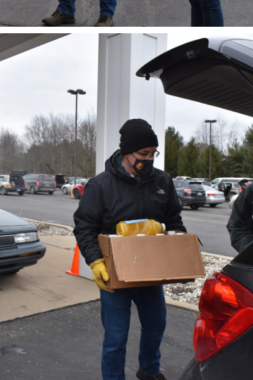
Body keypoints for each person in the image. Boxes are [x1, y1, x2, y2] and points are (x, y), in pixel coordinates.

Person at [73, 119, 186, 380]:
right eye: (143, 154)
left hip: (150, 272)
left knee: (156, 326)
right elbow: (84, 226)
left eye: (152, 154)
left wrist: (178, 245)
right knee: (115, 337)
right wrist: (95, 262)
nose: (149, 159)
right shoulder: (100, 185)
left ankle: (149, 371)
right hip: (116, 274)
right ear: (127, 153)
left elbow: (175, 220)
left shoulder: (162, 181)